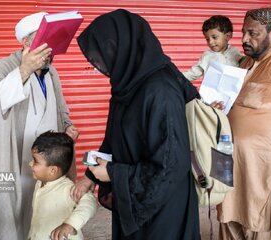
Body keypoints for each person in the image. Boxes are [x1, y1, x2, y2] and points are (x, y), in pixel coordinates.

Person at [72, 9, 200, 240]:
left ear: (126, 47)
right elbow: (114, 138)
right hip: (133, 198)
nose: (98, 64)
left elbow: (171, 165)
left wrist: (112, 173)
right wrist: (91, 176)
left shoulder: (161, 91)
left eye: (105, 53)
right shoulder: (127, 85)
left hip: (163, 209)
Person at [0, 12, 79, 240]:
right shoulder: (3, 66)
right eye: (47, 43)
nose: (51, 51)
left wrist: (68, 128)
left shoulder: (52, 72)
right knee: (9, 214)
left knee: (43, 213)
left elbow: (61, 109)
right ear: (26, 42)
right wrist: (24, 70)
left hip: (47, 162)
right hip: (12, 161)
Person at [216, 7, 271, 240]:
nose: (244, 39)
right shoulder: (241, 64)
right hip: (226, 160)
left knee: (258, 225)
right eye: (244, 33)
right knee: (225, 217)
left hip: (262, 167)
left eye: (253, 33)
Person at [28, 131, 97, 240]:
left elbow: (91, 202)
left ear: (52, 170)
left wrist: (69, 225)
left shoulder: (68, 189)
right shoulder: (40, 183)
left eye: (35, 161)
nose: (30, 163)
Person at [183, 15, 242, 82]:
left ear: (228, 36)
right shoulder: (207, 56)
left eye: (214, 37)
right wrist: (174, 78)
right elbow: (192, 74)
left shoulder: (235, 53)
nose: (210, 42)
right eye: (207, 39)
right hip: (211, 92)